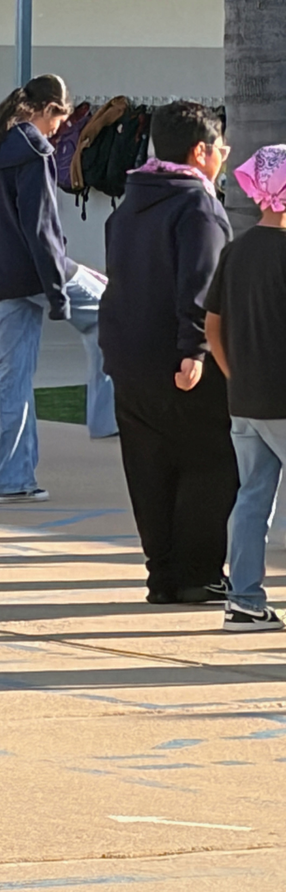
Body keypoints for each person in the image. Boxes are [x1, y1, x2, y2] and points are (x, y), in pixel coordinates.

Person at [99, 101, 237, 605]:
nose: (224, 154)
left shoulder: (131, 202)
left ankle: (163, 575)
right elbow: (200, 285)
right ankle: (197, 573)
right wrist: (196, 349)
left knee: (149, 467)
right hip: (183, 362)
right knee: (210, 463)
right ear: (200, 151)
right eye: (220, 146)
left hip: (128, 360)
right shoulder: (197, 206)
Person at [0, 74, 117, 505]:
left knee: (11, 378)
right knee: (113, 307)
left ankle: (12, 480)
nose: (59, 130)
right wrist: (57, 292)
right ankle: (109, 418)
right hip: (35, 272)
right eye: (60, 120)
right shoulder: (33, 150)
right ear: (49, 109)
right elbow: (42, 228)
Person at [205, 145, 286, 632]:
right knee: (255, 495)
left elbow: (212, 325)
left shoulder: (235, 251)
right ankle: (245, 598)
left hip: (246, 399)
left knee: (252, 495)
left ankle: (245, 599)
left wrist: (231, 371)